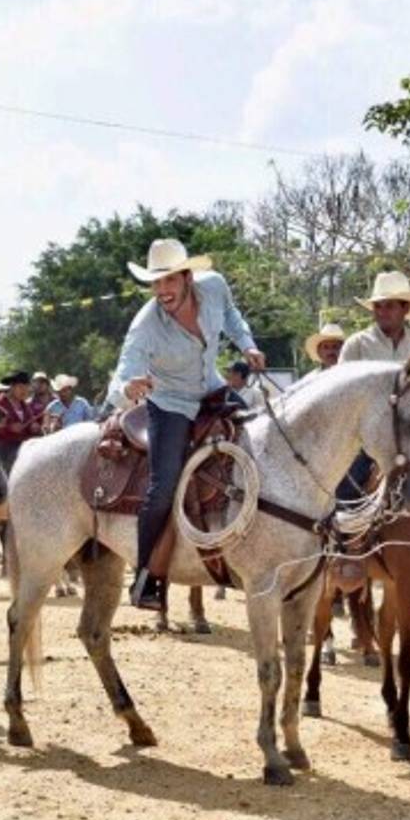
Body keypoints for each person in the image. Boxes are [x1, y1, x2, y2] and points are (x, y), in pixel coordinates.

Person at [107, 238, 265, 610]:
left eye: (169, 281)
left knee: (260, 439)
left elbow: (231, 316)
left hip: (212, 388)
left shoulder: (214, 287)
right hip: (171, 404)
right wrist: (127, 387)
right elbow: (125, 369)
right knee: (162, 486)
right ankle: (145, 576)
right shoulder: (145, 324)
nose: (162, 291)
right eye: (156, 283)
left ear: (187, 277)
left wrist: (247, 345)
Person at [337, 271, 410, 499]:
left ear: (406, 309)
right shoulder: (357, 345)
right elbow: (341, 394)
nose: (382, 312)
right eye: (378, 307)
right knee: (344, 494)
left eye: (389, 306)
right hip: (365, 441)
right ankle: (341, 529)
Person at [0, 371, 43, 473]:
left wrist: (33, 427)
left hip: (23, 445)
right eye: (21, 387)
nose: (24, 391)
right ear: (12, 387)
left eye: (26, 388)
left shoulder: (25, 406)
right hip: (4, 447)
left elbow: (30, 422)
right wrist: (9, 428)